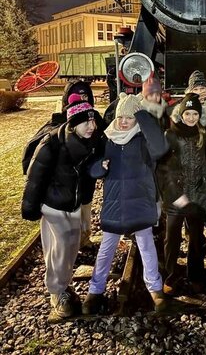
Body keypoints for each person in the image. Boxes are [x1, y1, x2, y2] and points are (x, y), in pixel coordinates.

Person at [82, 93, 169, 315]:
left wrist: (142, 115)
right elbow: (91, 168)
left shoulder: (143, 140)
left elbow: (160, 148)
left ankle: (155, 288)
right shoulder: (107, 139)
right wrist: (100, 168)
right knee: (106, 249)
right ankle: (95, 290)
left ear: (137, 119)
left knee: (147, 246)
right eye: (120, 117)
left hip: (140, 202)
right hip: (114, 204)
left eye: (129, 118)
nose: (123, 122)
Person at [21, 94, 101, 320]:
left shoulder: (90, 142)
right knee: (59, 248)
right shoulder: (52, 144)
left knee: (71, 247)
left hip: (73, 205)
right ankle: (57, 294)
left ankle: (64, 286)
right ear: (73, 124)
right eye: (86, 122)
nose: (92, 126)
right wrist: (30, 207)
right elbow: (35, 177)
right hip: (54, 205)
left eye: (93, 121)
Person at [157, 93, 206, 295]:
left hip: (196, 195)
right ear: (181, 114)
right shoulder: (170, 135)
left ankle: (195, 275)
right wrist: (174, 194)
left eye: (195, 114)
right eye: (187, 113)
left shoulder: (202, 134)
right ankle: (171, 276)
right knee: (172, 238)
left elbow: (205, 165)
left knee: (196, 238)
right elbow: (164, 169)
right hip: (176, 198)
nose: (191, 118)